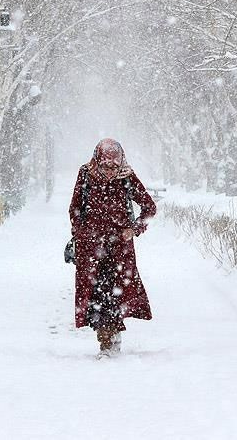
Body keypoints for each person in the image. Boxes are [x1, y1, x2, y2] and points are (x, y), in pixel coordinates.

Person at [68, 138, 157, 357]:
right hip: (91, 248)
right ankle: (106, 340)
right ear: (98, 160)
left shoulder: (127, 177)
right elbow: (75, 208)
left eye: (114, 166)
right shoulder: (86, 174)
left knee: (116, 294)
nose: (110, 171)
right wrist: (81, 233)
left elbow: (149, 207)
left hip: (120, 249)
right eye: (106, 165)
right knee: (96, 295)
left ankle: (111, 338)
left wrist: (134, 229)